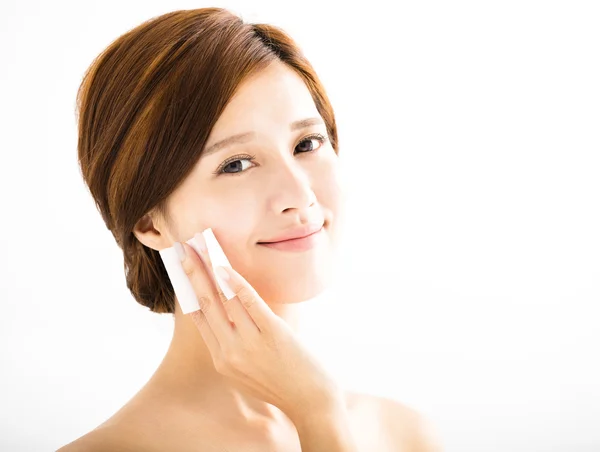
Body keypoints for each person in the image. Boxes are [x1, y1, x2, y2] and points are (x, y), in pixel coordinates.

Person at [59, 7, 442, 451]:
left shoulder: (404, 434)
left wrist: (318, 412)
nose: (299, 194)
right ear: (148, 221)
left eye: (307, 144)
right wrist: (316, 414)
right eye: (236, 164)